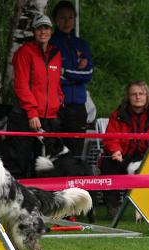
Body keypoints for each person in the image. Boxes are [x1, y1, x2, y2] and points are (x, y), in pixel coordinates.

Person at [7, 14, 63, 178]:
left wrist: (59, 100)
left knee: (44, 164)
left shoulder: (56, 54)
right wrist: (32, 113)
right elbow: (21, 85)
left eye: (46, 28)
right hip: (25, 116)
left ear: (51, 31)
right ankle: (13, 194)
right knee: (19, 162)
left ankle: (41, 194)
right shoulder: (25, 52)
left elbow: (56, 83)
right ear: (34, 32)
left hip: (48, 117)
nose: (43, 32)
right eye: (39, 28)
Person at [101, 81, 149, 218]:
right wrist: (115, 151)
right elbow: (110, 137)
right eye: (134, 94)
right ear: (128, 97)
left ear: (147, 96)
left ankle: (147, 208)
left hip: (146, 155)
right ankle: (113, 207)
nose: (138, 97)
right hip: (124, 155)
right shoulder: (118, 114)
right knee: (107, 164)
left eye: (141, 94)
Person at [49, 1, 93, 161]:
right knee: (55, 150)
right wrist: (76, 74)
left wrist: (65, 71)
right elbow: (52, 75)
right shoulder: (51, 43)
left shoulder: (82, 44)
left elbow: (88, 74)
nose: (67, 22)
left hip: (78, 105)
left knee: (76, 152)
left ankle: (74, 176)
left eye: (70, 17)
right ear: (55, 20)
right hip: (56, 105)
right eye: (62, 18)